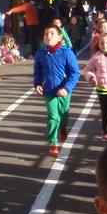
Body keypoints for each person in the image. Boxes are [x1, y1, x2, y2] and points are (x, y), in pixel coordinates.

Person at [33, 26, 80, 157]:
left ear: (60, 37)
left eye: (52, 33)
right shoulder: (40, 54)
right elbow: (37, 72)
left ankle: (63, 127)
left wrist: (67, 88)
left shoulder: (67, 53)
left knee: (63, 113)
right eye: (46, 34)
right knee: (53, 115)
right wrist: (37, 84)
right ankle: (53, 143)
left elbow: (75, 73)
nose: (48, 36)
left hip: (64, 90)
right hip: (48, 90)